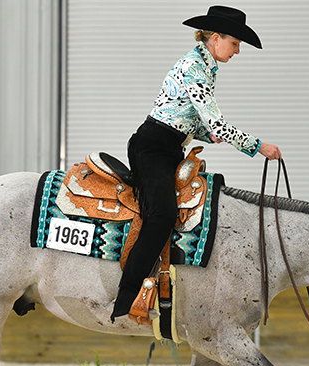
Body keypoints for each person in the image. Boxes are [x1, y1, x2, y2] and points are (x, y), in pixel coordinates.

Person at [111, 5, 282, 322]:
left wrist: (205, 132)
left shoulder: (204, 67)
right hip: (152, 148)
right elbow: (215, 124)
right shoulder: (194, 68)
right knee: (162, 214)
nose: (237, 51)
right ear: (216, 38)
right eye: (235, 43)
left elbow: (184, 116)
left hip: (168, 146)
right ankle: (128, 296)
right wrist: (258, 146)